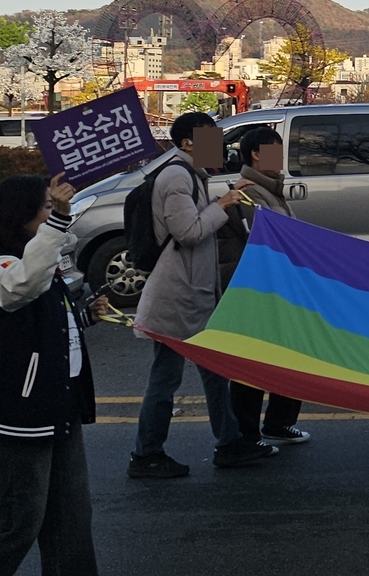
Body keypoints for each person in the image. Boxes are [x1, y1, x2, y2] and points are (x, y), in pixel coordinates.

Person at [0, 173, 109, 576]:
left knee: (72, 519)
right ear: (19, 215)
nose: (52, 213)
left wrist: (85, 317)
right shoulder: (1, 264)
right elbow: (21, 287)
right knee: (20, 522)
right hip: (20, 413)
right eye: (44, 207)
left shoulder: (44, 259)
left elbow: (42, 323)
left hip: (60, 405)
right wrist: (58, 222)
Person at [129, 112, 275, 479]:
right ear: (187, 143)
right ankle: (147, 453)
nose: (219, 147)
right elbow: (189, 232)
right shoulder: (177, 176)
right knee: (166, 379)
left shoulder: (191, 175)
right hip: (177, 296)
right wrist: (222, 207)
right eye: (211, 139)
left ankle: (229, 442)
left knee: (214, 372)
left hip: (193, 293)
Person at [220, 126, 310, 447]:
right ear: (256, 154)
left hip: (278, 285)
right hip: (258, 288)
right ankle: (247, 432)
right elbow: (264, 238)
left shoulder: (271, 189)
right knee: (254, 362)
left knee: (289, 354)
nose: (281, 158)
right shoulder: (249, 191)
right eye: (275, 151)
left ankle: (279, 423)